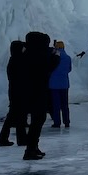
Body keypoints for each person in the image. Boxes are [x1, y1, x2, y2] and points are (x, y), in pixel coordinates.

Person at [21, 30, 58, 160]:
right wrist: (55, 57)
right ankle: (31, 149)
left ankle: (33, 147)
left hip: (31, 92)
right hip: (38, 92)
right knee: (38, 120)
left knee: (37, 121)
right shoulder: (38, 55)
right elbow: (47, 68)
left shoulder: (27, 53)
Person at [0, 40, 25, 147]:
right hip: (19, 92)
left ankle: (4, 138)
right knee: (19, 117)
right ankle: (20, 139)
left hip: (14, 92)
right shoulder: (18, 61)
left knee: (14, 117)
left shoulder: (13, 60)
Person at [48, 40, 72, 128]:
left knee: (56, 104)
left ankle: (57, 122)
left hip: (53, 84)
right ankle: (67, 122)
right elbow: (69, 69)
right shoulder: (68, 57)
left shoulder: (53, 57)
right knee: (65, 104)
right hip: (64, 83)